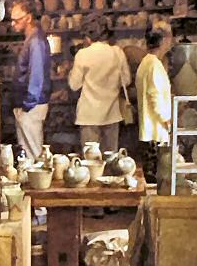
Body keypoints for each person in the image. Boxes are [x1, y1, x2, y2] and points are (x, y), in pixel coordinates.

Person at [68, 14, 131, 153]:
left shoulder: (83, 54)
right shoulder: (117, 52)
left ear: (87, 36)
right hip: (112, 113)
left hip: (88, 114)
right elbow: (126, 80)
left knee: (91, 163)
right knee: (111, 159)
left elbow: (74, 85)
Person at [10, 1, 51, 160]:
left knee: (33, 152)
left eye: (17, 20)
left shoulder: (35, 41)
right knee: (27, 153)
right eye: (12, 20)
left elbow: (37, 74)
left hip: (32, 104)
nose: (13, 24)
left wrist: (28, 103)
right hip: (28, 103)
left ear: (28, 18)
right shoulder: (32, 39)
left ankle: (38, 182)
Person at [135, 24, 172, 183]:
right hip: (155, 130)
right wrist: (166, 118)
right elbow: (154, 95)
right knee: (156, 180)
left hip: (150, 128)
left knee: (152, 177)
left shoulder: (147, 62)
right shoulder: (153, 65)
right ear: (163, 41)